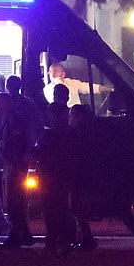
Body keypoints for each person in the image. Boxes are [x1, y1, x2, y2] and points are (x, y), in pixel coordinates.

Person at [36, 102, 79, 256]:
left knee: (53, 209)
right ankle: (63, 241)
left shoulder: (50, 135)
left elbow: (40, 154)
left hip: (51, 176)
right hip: (62, 175)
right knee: (60, 208)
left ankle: (54, 241)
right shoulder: (71, 134)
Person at [0, 93, 34, 250]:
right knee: (19, 200)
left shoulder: (12, 120)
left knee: (12, 200)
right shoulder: (6, 119)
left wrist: (10, 159)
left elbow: (14, 143)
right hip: (14, 163)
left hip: (15, 164)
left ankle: (15, 236)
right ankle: (25, 234)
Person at [69, 104, 97, 251]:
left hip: (79, 174)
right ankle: (84, 236)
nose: (70, 119)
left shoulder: (80, 135)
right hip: (82, 174)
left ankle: (86, 237)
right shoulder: (85, 133)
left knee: (77, 205)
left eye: (72, 115)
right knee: (77, 205)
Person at [43, 63, 112, 107]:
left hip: (77, 116)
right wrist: (59, 81)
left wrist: (110, 89)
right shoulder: (47, 89)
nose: (52, 74)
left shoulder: (71, 82)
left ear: (63, 74)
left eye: (55, 71)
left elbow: (88, 87)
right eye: (51, 71)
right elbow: (61, 100)